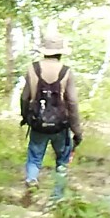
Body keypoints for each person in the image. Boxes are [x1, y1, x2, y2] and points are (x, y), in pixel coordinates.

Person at [17, 33, 82, 205]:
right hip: (60, 126)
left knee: (34, 156)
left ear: (44, 51)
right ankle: (57, 198)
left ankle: (32, 180)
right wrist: (77, 130)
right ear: (60, 52)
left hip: (38, 123)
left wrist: (26, 117)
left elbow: (24, 97)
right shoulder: (66, 72)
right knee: (62, 159)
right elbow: (72, 102)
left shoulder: (33, 69)